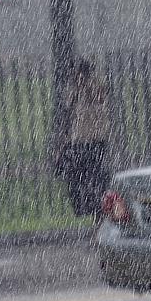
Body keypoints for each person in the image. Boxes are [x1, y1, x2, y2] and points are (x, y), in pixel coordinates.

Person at [60, 60, 110, 217]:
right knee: (87, 175)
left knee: (87, 175)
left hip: (88, 139)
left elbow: (68, 112)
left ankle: (92, 206)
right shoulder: (87, 88)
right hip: (87, 139)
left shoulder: (87, 88)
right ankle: (90, 206)